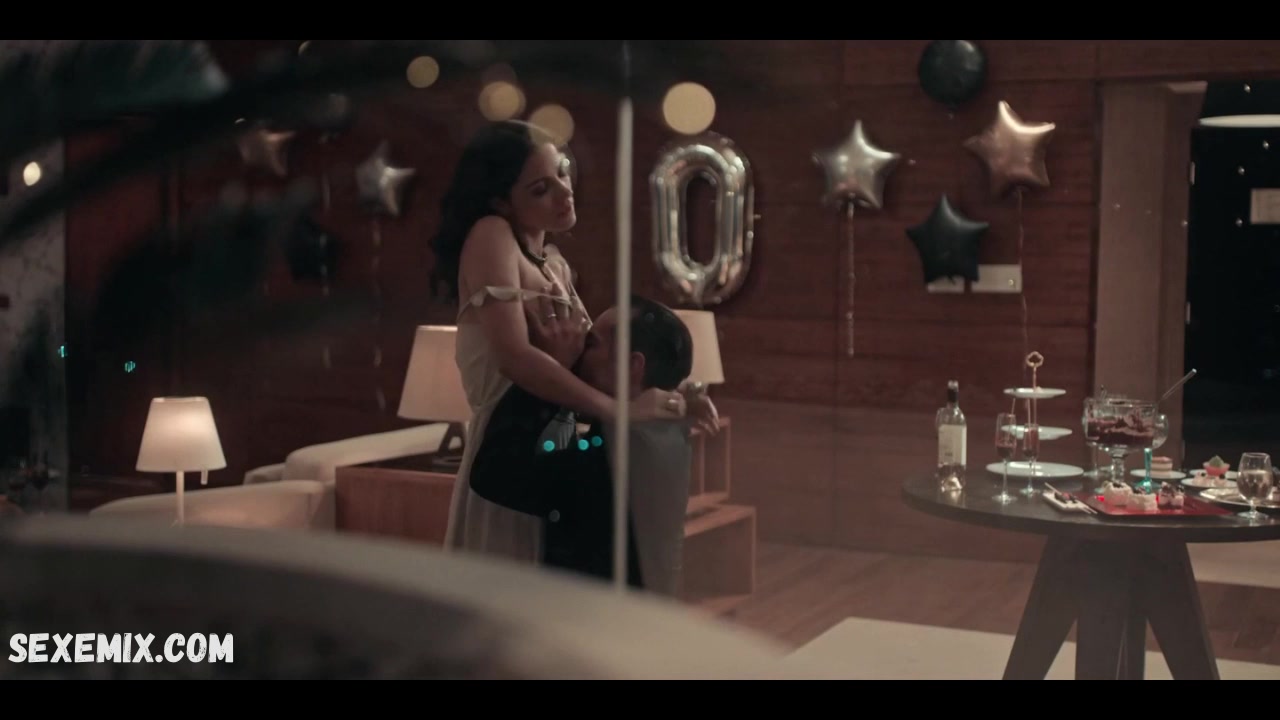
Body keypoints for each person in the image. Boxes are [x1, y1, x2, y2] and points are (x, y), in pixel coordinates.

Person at [429, 120, 716, 565]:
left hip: (556, 442)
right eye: (541, 189)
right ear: (500, 200)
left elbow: (592, 362)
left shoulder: (556, 264)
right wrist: (619, 411)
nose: (565, 192)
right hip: (507, 448)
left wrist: (677, 396)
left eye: (562, 171)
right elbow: (515, 358)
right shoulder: (492, 235)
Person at [468, 296, 695, 593]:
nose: (578, 352)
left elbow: (494, 473)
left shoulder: (623, 454)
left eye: (590, 343)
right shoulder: (662, 431)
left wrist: (549, 367)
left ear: (632, 365)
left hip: (596, 614)